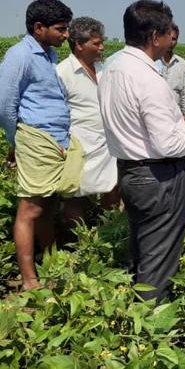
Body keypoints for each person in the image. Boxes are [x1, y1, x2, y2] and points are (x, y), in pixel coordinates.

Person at [99, 0, 185, 302]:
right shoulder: (148, 79)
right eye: (167, 32)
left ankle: (132, 311)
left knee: (143, 250)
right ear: (154, 37)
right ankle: (151, 321)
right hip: (159, 178)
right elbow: (168, 144)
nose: (171, 37)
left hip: (129, 172)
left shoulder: (111, 69)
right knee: (158, 263)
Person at [0, 0, 82, 290]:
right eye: (60, 29)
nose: (66, 35)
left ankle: (51, 265)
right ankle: (29, 280)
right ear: (38, 27)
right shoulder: (20, 56)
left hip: (55, 142)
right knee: (29, 209)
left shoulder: (48, 54)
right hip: (37, 140)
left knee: (48, 206)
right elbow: (1, 108)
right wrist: (18, 140)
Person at [56, 17, 120, 229]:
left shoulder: (104, 69)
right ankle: (80, 241)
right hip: (79, 145)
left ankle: (106, 235)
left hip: (107, 143)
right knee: (75, 196)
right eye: (97, 43)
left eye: (102, 42)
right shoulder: (62, 72)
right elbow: (58, 113)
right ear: (79, 45)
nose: (102, 47)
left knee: (112, 189)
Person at [161, 23, 185, 117]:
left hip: (175, 117)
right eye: (168, 38)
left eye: (174, 39)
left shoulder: (181, 64)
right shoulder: (152, 61)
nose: (170, 42)